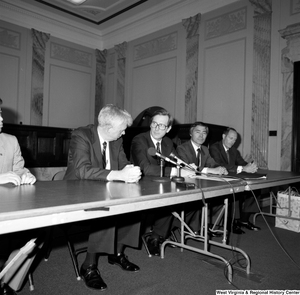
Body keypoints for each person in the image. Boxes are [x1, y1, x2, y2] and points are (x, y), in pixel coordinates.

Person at [64, 104, 142, 292]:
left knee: (136, 206)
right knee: (106, 209)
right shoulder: (81, 135)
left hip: (106, 188)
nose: (124, 134)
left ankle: (117, 253)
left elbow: (123, 164)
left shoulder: (116, 140)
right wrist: (118, 175)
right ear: (108, 128)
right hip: (76, 191)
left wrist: (131, 171)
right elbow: (82, 170)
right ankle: (88, 266)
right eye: (122, 129)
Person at [130, 108, 195, 256]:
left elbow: (175, 163)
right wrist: (175, 172)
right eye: (154, 124)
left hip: (160, 183)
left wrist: (187, 168)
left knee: (173, 197)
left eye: (162, 125)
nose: (157, 128)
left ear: (169, 129)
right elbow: (145, 168)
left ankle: (156, 236)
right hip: (139, 184)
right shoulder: (139, 140)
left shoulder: (167, 142)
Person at [0, 98, 37, 295]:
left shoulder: (10, 140)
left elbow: (19, 168)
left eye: (0, 113)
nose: (1, 119)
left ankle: (7, 283)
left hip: (8, 207)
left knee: (36, 234)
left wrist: (26, 175)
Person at [176, 121, 229, 236]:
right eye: (197, 132)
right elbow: (188, 167)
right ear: (191, 134)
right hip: (185, 185)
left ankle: (211, 226)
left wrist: (220, 168)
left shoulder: (205, 149)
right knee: (199, 200)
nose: (201, 136)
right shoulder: (182, 148)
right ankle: (194, 228)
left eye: (204, 133)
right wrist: (208, 170)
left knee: (221, 197)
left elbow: (213, 164)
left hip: (201, 184)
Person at [209, 127, 261, 232]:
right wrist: (243, 168)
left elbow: (242, 163)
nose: (233, 142)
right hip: (217, 180)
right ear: (224, 136)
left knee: (254, 189)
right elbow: (219, 164)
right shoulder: (214, 148)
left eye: (234, 140)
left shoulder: (234, 151)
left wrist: (250, 166)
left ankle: (244, 220)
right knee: (235, 190)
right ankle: (232, 222)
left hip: (231, 178)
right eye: (230, 138)